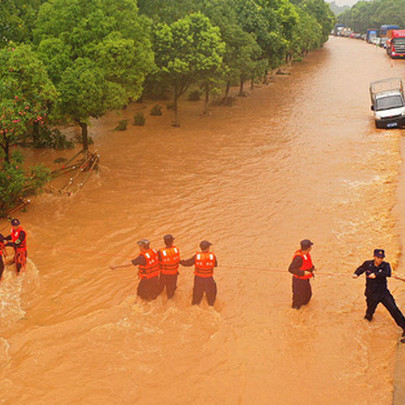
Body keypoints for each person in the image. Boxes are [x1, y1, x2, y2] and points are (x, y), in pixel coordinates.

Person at [353, 249, 405, 343]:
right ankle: (367, 323)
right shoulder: (367, 264)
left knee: (394, 309)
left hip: (383, 294)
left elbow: (388, 273)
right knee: (369, 311)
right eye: (378, 258)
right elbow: (361, 269)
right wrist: (356, 274)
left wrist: (376, 275)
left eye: (381, 258)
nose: (380, 260)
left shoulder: (386, 265)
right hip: (371, 294)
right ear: (374, 257)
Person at [180, 240, 218, 306]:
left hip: (198, 280)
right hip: (208, 279)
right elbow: (215, 265)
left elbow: (188, 263)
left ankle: (195, 305)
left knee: (196, 298)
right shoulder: (212, 256)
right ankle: (210, 305)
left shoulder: (196, 256)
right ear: (208, 248)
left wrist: (180, 261)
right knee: (211, 297)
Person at [288, 239, 316, 309]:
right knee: (298, 299)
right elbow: (291, 269)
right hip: (298, 281)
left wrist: (312, 268)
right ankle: (295, 314)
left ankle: (304, 311)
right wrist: (303, 273)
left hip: (305, 280)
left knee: (308, 295)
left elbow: (306, 264)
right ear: (309, 248)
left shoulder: (306, 254)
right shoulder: (298, 258)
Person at [157, 234, 180, 299]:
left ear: (165, 243)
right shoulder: (176, 250)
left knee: (159, 289)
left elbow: (156, 261)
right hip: (173, 275)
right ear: (172, 242)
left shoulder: (160, 252)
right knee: (171, 293)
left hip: (163, 275)